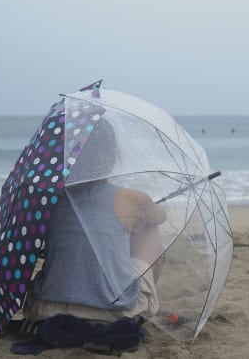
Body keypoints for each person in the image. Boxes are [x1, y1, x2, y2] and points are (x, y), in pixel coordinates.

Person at [14, 117, 166, 353]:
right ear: (113, 155)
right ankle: (139, 316)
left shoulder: (48, 199)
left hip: (45, 308)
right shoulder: (133, 199)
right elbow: (160, 217)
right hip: (115, 312)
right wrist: (146, 210)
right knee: (150, 229)